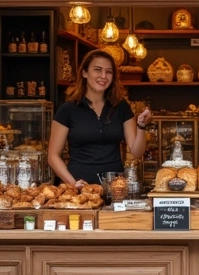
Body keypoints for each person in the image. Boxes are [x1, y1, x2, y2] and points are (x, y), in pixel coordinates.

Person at [48, 49, 151, 187]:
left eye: (108, 72)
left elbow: (137, 151)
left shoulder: (121, 107)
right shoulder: (68, 109)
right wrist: (74, 184)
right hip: (79, 189)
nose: (104, 76)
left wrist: (141, 126)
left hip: (115, 188)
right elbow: (53, 156)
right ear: (84, 72)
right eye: (97, 70)